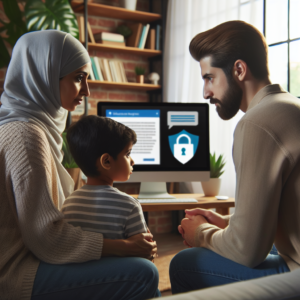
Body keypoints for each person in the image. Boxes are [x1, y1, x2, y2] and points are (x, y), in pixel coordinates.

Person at [0, 30, 160, 300]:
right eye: (78, 78)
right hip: (18, 273)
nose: (87, 91)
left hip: (36, 258)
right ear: (45, 75)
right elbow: (45, 237)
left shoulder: (27, 127)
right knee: (144, 273)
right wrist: (123, 246)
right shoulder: (27, 136)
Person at [169, 20, 300, 294]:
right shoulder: (289, 106)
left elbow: (247, 251)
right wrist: (228, 224)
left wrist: (201, 234)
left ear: (239, 70)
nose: (206, 92)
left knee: (183, 263)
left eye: (209, 78)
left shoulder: (257, 123)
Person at [61, 115, 148, 240]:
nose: (132, 161)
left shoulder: (68, 205)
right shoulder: (130, 206)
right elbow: (144, 251)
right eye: (127, 154)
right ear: (106, 161)